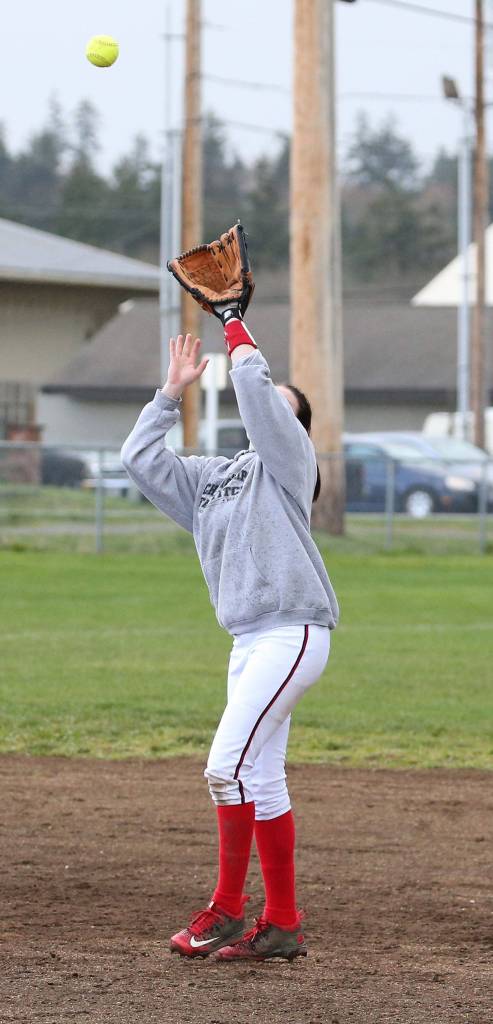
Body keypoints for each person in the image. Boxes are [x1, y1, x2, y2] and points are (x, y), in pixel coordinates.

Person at [121, 310, 339, 962]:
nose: (265, 403)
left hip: (291, 632)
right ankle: (282, 925)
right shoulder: (211, 479)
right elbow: (138, 460)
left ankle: (225, 908)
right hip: (247, 642)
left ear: (295, 427)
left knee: (226, 767)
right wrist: (169, 394)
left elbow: (256, 395)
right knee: (261, 778)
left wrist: (233, 321)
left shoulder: (291, 465)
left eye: (280, 402)